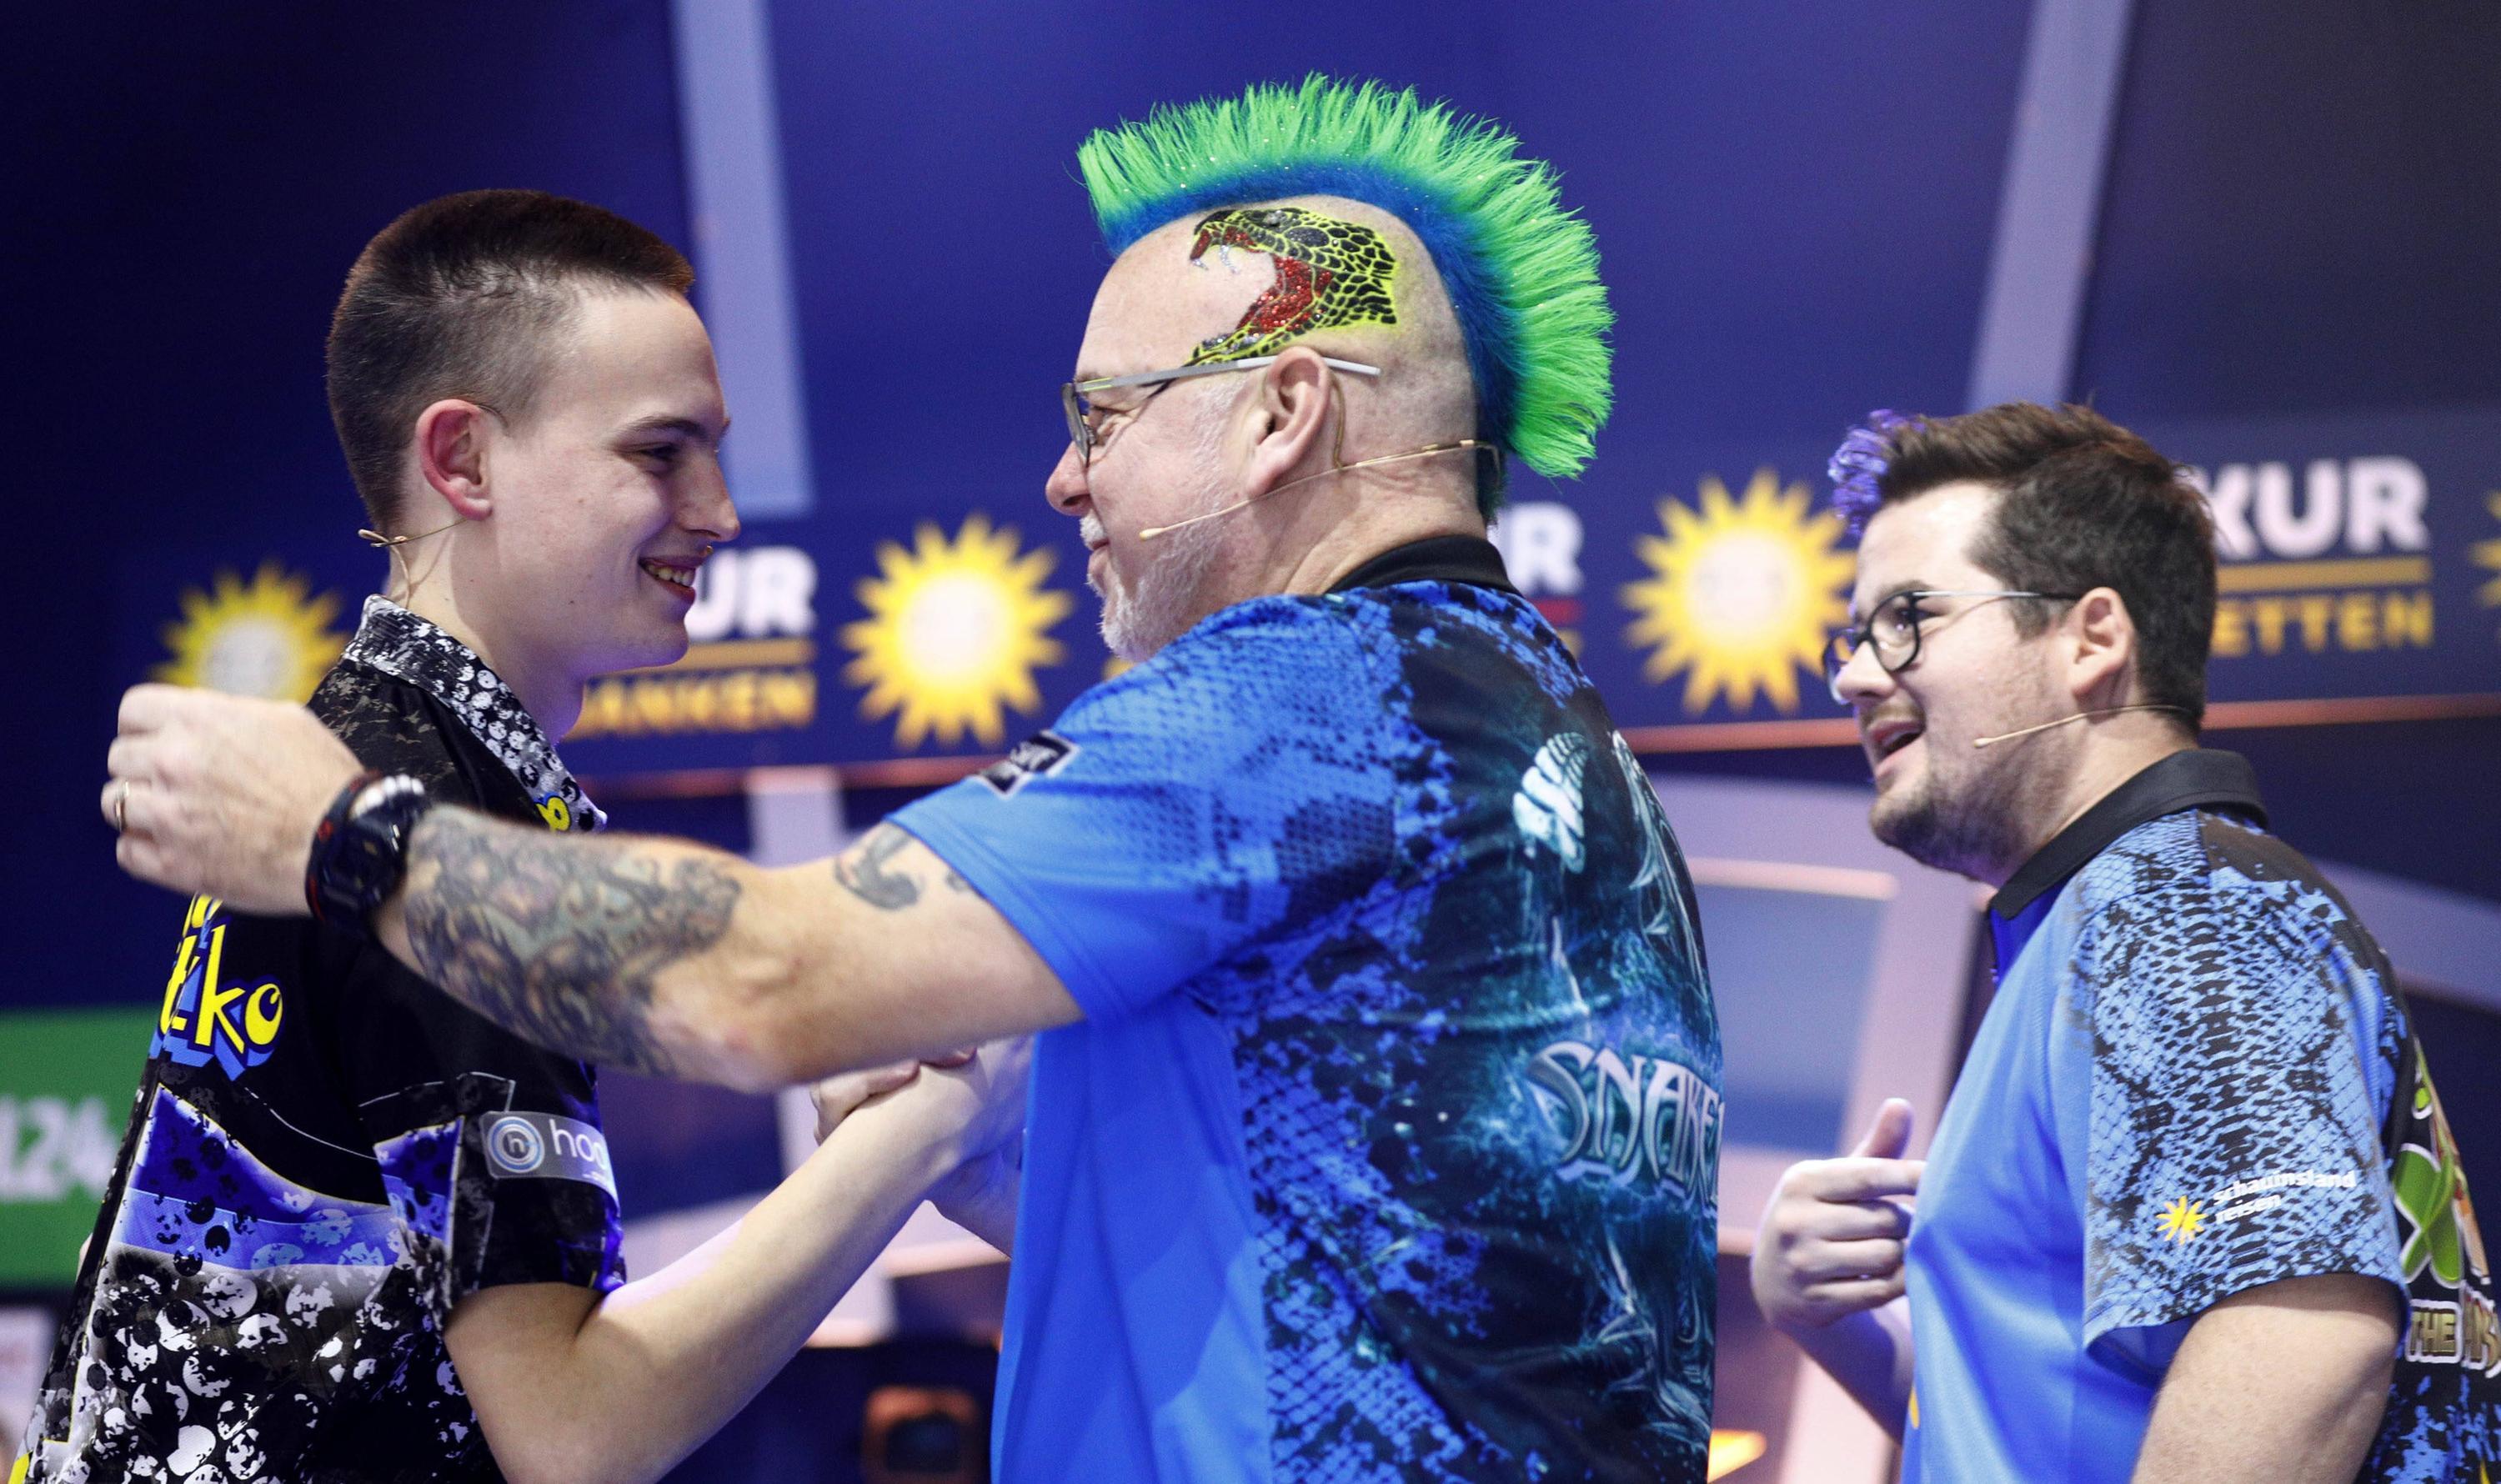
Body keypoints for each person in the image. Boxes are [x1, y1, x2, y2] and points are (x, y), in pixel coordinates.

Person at [98, 78, 1724, 1481]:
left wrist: (340, 833)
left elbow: (762, 982)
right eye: (661, 450)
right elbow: (1330, 1244)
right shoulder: (1579, 768)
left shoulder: (1299, 702)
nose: (1065, 476)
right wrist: (962, 1134)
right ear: (459, 460)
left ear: (1280, 413)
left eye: (1104, 415)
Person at [18, 190, 1027, 1484]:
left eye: (713, 452)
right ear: (464, 461)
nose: (720, 511)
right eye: (660, 453)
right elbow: (576, 1429)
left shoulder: (383, 766)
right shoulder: (419, 819)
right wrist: (930, 1127)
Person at [1748, 401, 2498, 1481]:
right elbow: (2035, 1432)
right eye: (1857, 635)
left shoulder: (2175, 908)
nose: (1858, 675)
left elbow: (2300, 1346)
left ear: (2093, 640)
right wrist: (1828, 1322)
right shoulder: (2104, 919)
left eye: (1909, 618)